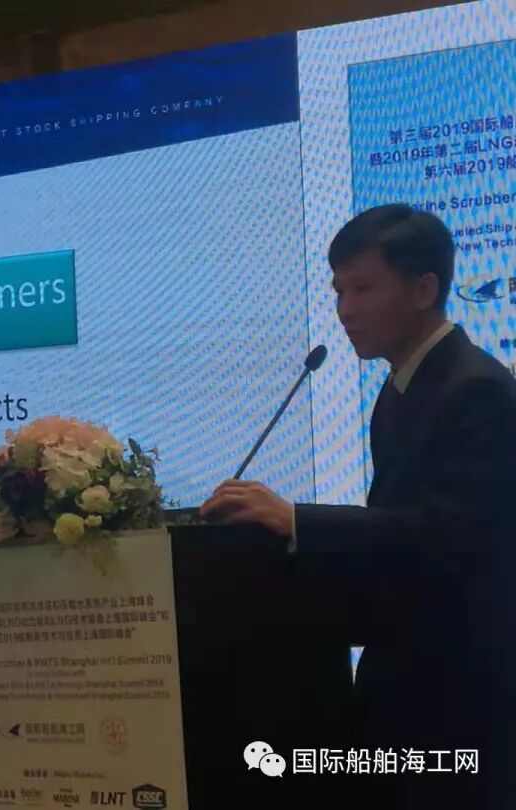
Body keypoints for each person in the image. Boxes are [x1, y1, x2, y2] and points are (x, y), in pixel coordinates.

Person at [200, 204, 516, 808]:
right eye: (339, 291)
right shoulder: (403, 387)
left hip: (457, 700)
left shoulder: (475, 390)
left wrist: (298, 520)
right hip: (406, 687)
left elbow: (446, 536)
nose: (345, 310)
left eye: (363, 289)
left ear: (424, 290)